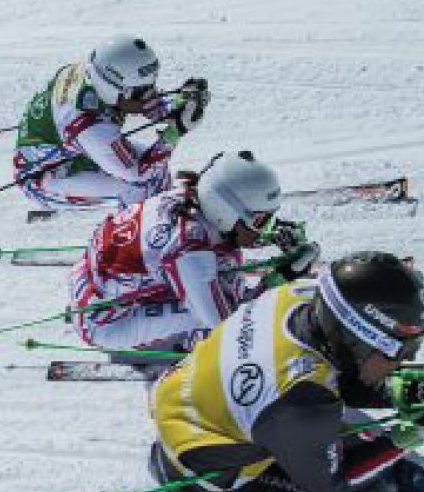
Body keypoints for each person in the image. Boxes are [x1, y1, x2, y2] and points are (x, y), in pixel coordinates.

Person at [146, 251, 424, 492]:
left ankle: (365, 463)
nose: (407, 360)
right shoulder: (301, 400)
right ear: (360, 339)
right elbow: (333, 484)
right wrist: (409, 437)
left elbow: (330, 367)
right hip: (210, 487)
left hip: (213, 425)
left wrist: (391, 391)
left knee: (343, 428)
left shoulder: (298, 297)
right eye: (400, 350)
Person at [68, 151, 322, 356]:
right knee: (213, 318)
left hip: (90, 278)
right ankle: (190, 348)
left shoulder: (193, 196)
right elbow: (231, 328)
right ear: (226, 210)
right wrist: (281, 278)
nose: (265, 229)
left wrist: (272, 235)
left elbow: (221, 235)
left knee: (221, 275)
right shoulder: (188, 252)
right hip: (103, 322)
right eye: (260, 221)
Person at [13, 35, 209, 211]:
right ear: (113, 90)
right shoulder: (90, 126)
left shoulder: (96, 75)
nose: (150, 94)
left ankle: (156, 222)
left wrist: (180, 102)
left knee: (158, 170)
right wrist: (176, 130)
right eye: (141, 91)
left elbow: (138, 103)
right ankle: (138, 243)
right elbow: (138, 172)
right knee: (140, 186)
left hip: (74, 151)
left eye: (151, 86)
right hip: (44, 178)